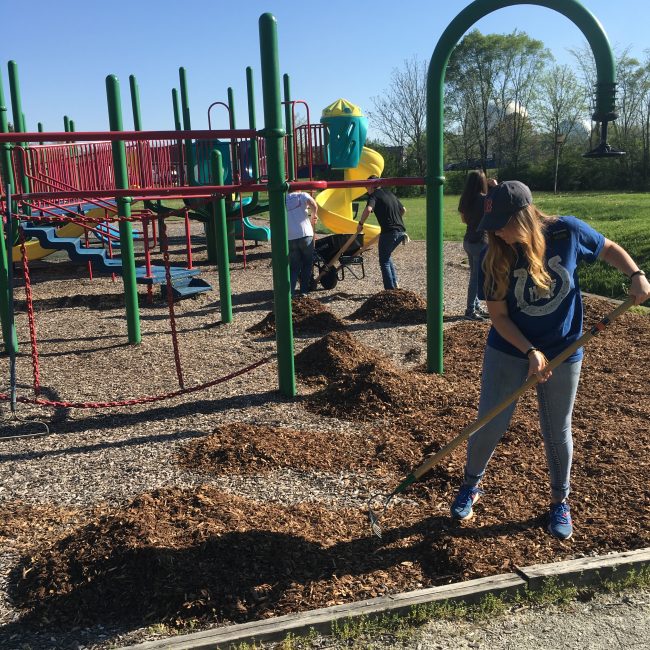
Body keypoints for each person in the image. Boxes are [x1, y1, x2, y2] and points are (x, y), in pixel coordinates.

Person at [450, 180, 650, 540]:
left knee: (556, 430)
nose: (495, 233)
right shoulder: (493, 252)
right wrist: (530, 351)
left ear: (522, 218)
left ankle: (560, 501)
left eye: (501, 225)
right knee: (490, 423)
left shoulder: (568, 232)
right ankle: (471, 484)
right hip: (509, 349)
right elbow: (498, 316)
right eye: (490, 226)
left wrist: (635, 275)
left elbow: (608, 248)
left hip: (564, 350)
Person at [356, 175, 408, 290]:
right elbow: (403, 209)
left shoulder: (373, 195)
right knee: (387, 257)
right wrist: (395, 220)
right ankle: (395, 285)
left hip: (389, 232)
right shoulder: (389, 193)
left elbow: (369, 209)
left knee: (384, 260)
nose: (365, 188)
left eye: (366, 185)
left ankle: (389, 290)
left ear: (371, 185)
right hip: (401, 231)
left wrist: (360, 224)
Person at [458, 170, 493, 321]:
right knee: (476, 278)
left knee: (475, 276)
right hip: (480, 241)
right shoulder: (485, 199)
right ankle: (470, 310)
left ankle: (476, 306)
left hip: (468, 240)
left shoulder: (466, 199)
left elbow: (464, 220)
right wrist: (495, 187)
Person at [286, 190, 318, 296]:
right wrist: (314, 215)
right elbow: (313, 204)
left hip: (290, 236)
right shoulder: (302, 195)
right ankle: (304, 291)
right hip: (305, 234)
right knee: (307, 264)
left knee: (294, 267)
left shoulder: (284, 198)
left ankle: (290, 293)